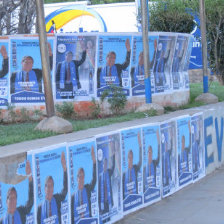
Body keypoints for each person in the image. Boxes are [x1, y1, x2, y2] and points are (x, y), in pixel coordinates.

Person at [37, 151, 67, 224]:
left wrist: (64, 168)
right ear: (44, 188)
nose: (49, 189)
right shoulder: (40, 207)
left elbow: (65, 189)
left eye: (51, 186)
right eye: (48, 186)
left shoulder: (57, 199)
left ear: (53, 188)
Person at [71, 146, 96, 224]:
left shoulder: (88, 188)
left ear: (84, 177)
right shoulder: (73, 197)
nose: (81, 178)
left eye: (82, 176)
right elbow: (72, 215)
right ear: (76, 178)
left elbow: (94, 179)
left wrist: (94, 161)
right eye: (79, 176)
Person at [98, 142, 115, 223]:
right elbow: (98, 192)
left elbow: (113, 166)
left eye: (106, 164)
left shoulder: (109, 172)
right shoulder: (100, 177)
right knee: (103, 220)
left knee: (109, 220)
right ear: (102, 166)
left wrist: (113, 154)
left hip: (108, 201)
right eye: (103, 164)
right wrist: (98, 206)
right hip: (102, 203)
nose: (105, 165)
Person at [123, 132, 142, 199]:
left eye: (131, 157)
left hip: (135, 197)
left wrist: (140, 146)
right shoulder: (124, 173)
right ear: (127, 158)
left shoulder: (135, 168)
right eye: (129, 157)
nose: (130, 159)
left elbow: (140, 160)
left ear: (133, 158)